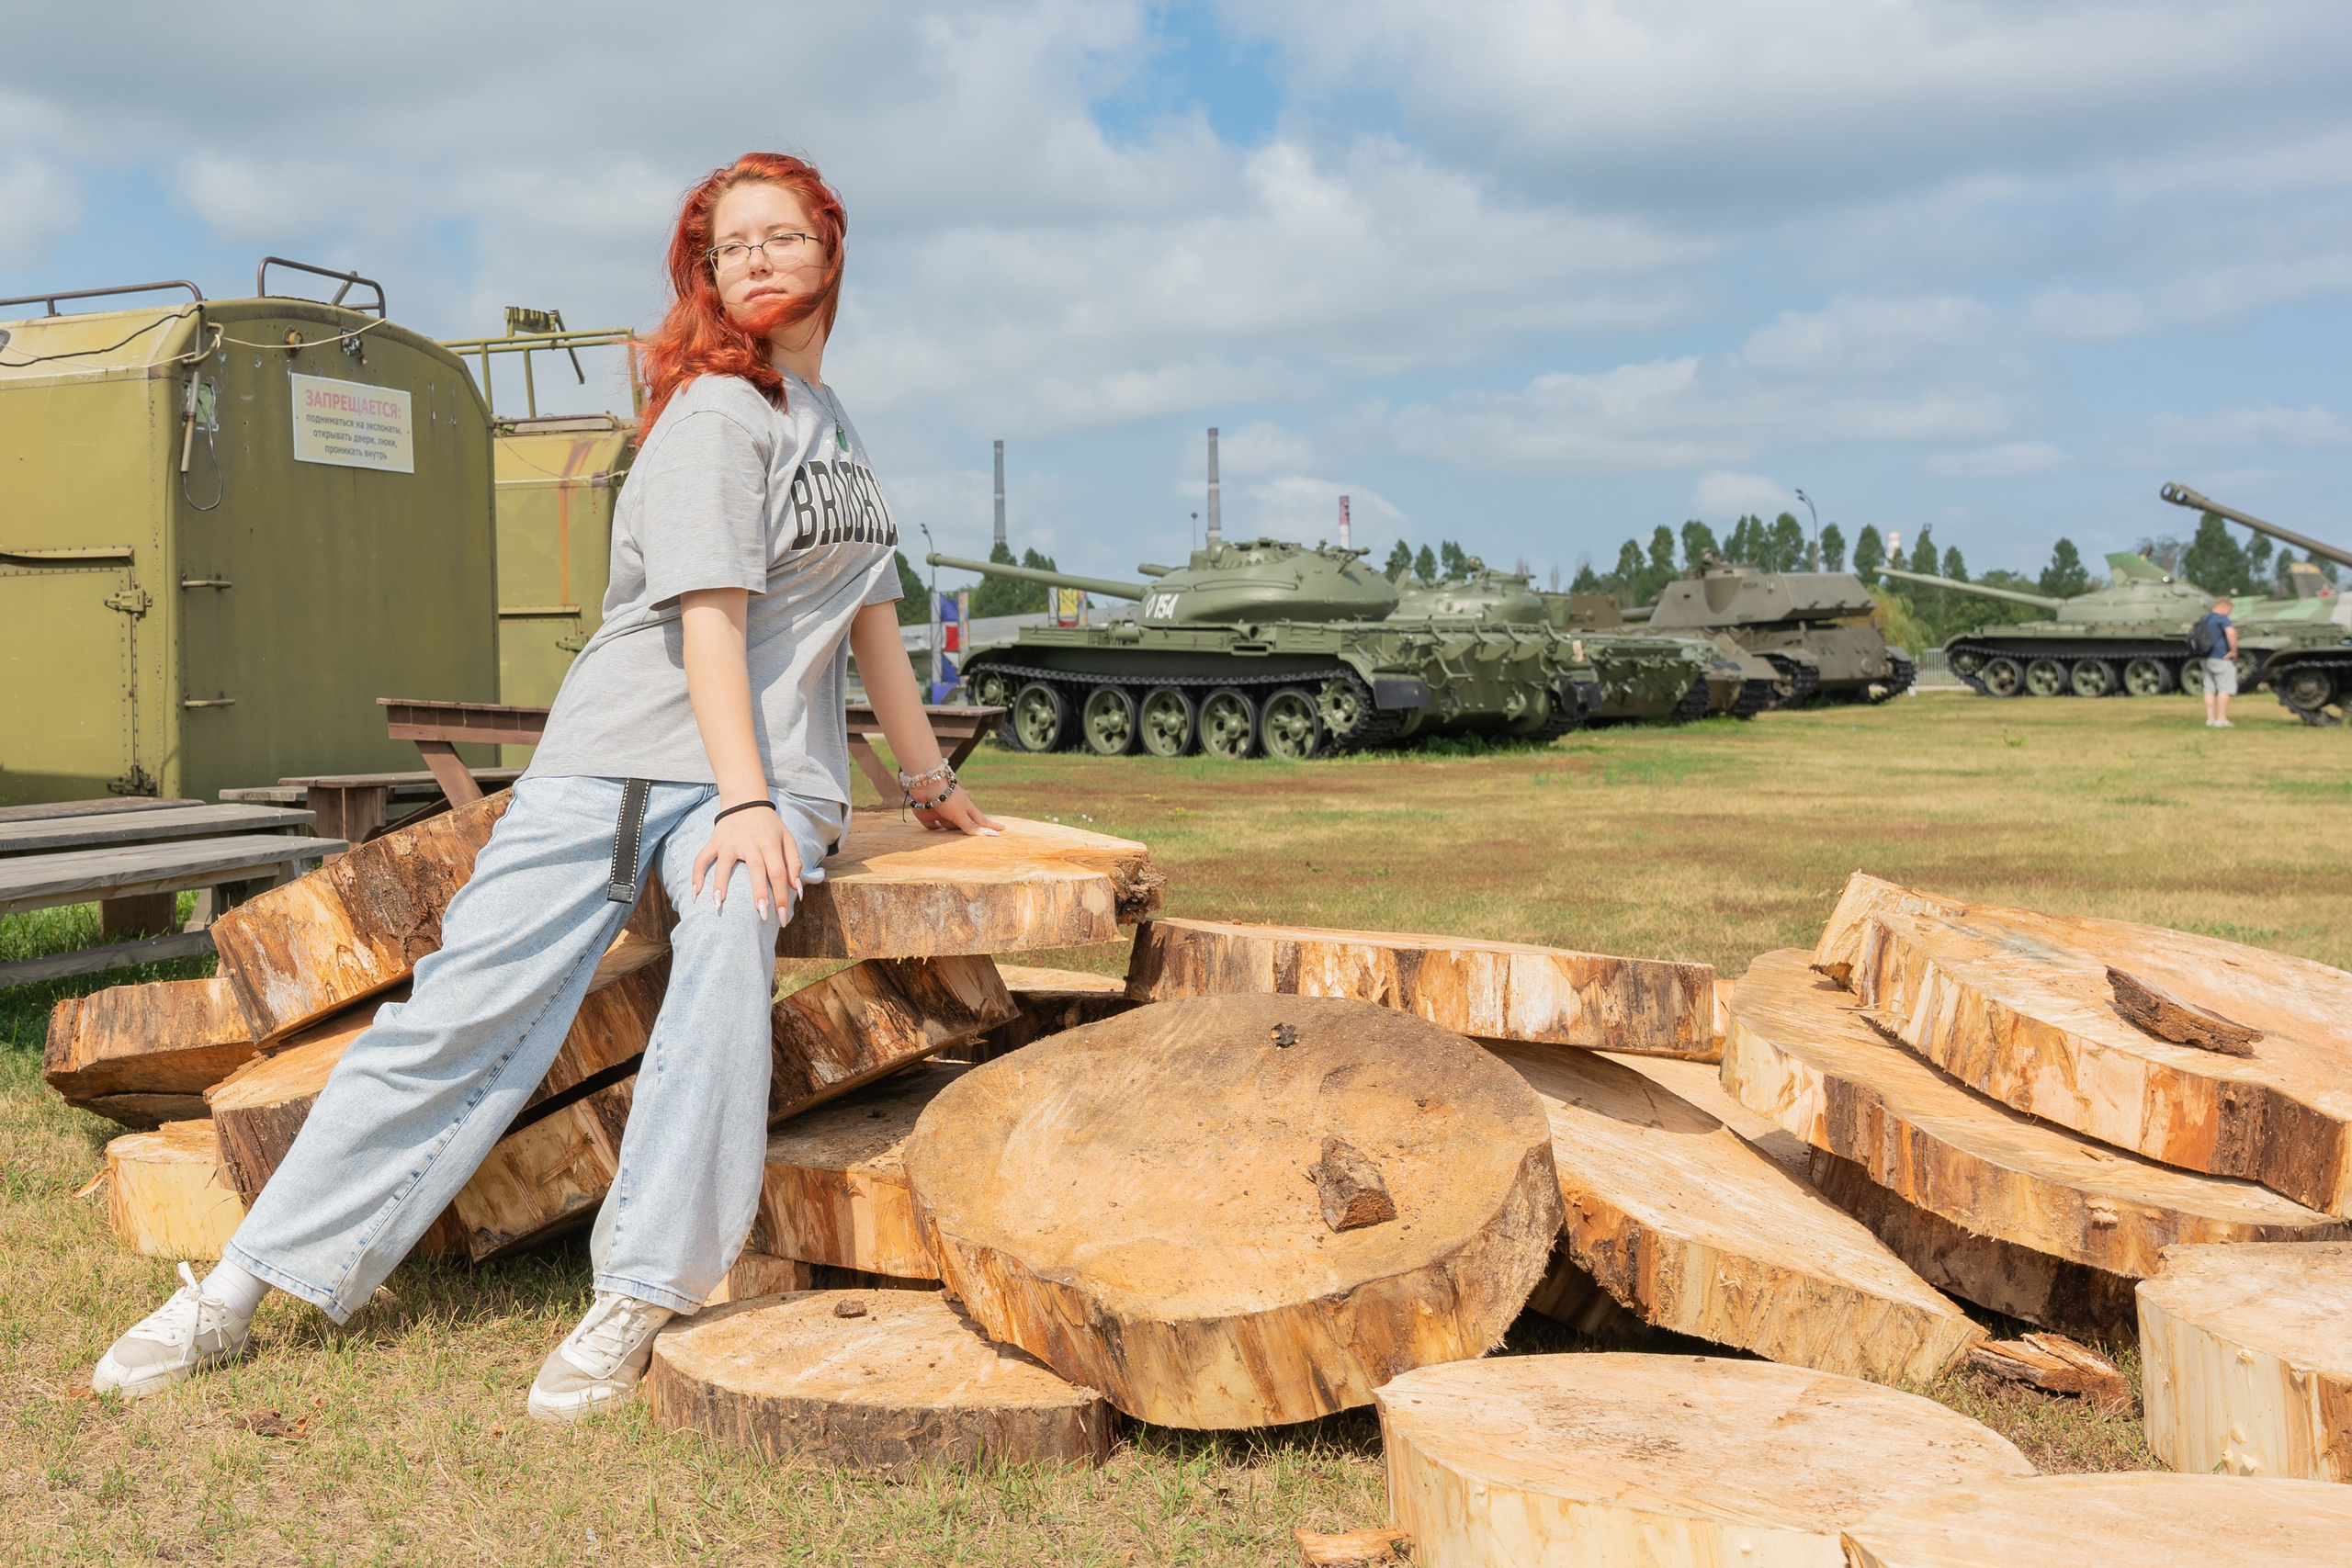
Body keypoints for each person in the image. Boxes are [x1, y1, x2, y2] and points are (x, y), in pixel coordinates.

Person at [89, 152, 998, 1419]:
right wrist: (742, 800)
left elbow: (872, 615)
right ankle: (244, 1280)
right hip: (629, 759)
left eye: (781, 236)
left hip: (769, 775)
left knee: (726, 953)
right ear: (706, 272)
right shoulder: (717, 412)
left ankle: (640, 1288)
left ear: (831, 249)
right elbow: (710, 619)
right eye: (730, 246)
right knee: (469, 1003)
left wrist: (925, 777)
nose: (755, 260)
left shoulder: (829, 421)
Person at [2196, 596, 2239, 728]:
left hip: (2205, 657)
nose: (2229, 613)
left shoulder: (2205, 618)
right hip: (2221, 657)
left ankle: (2210, 719)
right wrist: (2233, 651)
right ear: (2224, 607)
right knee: (2224, 688)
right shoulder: (2222, 618)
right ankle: (2222, 720)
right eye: (2229, 610)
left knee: (2209, 688)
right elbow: (2231, 632)